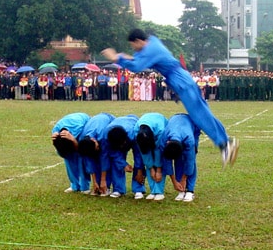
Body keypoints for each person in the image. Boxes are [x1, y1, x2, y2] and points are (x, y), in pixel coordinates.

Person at [101, 28, 239, 169]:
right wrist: (125, 56)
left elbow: (136, 66)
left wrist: (116, 58)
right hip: (180, 79)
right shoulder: (152, 42)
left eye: (133, 45)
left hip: (180, 80)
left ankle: (224, 144)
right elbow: (137, 58)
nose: (133, 49)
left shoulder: (151, 50)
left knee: (199, 115)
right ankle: (226, 142)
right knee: (202, 111)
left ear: (138, 41)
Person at [134, 112, 183, 200]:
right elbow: (144, 152)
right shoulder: (137, 131)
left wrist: (159, 170)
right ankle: (153, 191)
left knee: (159, 159)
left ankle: (159, 192)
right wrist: (151, 168)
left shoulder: (161, 130)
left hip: (159, 130)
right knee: (149, 163)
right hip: (149, 132)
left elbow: (158, 150)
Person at [100, 115, 144, 198]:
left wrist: (139, 170)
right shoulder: (106, 137)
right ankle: (118, 189)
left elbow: (138, 154)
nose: (121, 147)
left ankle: (138, 189)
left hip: (132, 124)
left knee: (139, 163)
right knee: (116, 162)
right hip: (117, 132)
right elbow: (106, 156)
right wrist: (123, 164)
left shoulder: (134, 133)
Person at [160, 114, 201, 202]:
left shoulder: (189, 140)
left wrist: (184, 179)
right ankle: (181, 190)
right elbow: (166, 161)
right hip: (175, 119)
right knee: (178, 161)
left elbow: (190, 161)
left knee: (191, 160)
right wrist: (175, 181)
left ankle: (190, 190)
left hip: (192, 125)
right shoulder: (163, 139)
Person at [77, 112, 115, 196]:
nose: (98, 148)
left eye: (97, 147)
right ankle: (97, 186)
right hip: (95, 122)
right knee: (93, 158)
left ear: (94, 141)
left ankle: (106, 187)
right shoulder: (82, 140)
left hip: (108, 119)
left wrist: (103, 180)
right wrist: (94, 182)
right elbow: (89, 160)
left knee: (105, 157)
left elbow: (104, 159)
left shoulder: (103, 136)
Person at [51, 113, 91, 193]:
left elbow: (81, 149)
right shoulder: (55, 131)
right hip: (70, 126)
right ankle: (74, 185)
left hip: (84, 122)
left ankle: (84, 186)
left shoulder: (80, 129)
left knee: (81, 159)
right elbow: (61, 150)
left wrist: (73, 140)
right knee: (68, 158)